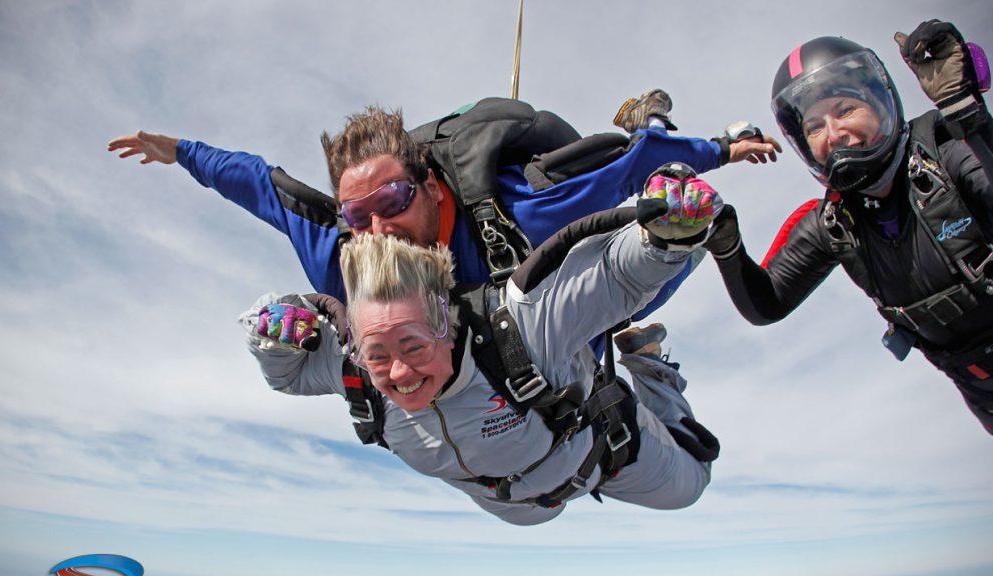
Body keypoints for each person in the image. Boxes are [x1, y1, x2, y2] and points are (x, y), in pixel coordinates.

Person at [239, 171, 724, 524]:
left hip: (605, 455)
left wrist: (661, 236)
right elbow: (287, 373)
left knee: (692, 486)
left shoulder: (521, 327)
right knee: (529, 516)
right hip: (512, 504)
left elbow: (613, 277)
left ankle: (649, 363)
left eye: (412, 345)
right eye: (379, 354)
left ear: (447, 324)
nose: (400, 374)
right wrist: (272, 333)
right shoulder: (354, 366)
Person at [108, 94, 780, 323]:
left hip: (558, 196)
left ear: (431, 187)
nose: (376, 229)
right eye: (357, 214)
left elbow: (632, 166)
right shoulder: (339, 252)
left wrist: (720, 149)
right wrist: (182, 153)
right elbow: (256, 183)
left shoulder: (523, 212)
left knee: (626, 290)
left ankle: (649, 107)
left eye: (392, 201)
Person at [703, 20, 993, 433]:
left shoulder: (945, 150)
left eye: (845, 110)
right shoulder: (833, 222)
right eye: (814, 126)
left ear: (881, 104)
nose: (833, 135)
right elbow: (766, 305)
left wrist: (968, 115)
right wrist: (725, 242)